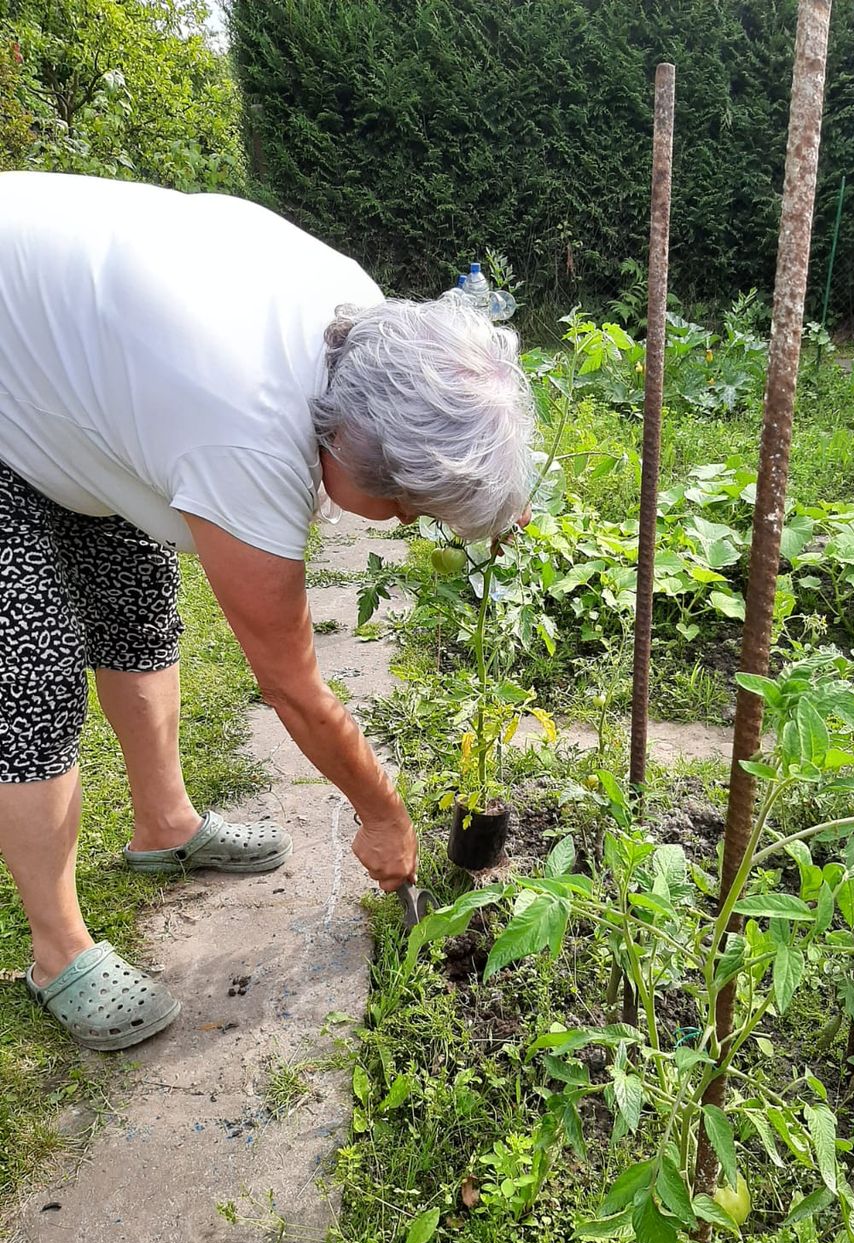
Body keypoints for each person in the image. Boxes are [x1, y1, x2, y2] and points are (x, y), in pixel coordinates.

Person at [0, 172, 534, 1050]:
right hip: (18, 362)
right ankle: (59, 949)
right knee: (31, 669)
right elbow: (292, 685)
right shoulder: (245, 432)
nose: (407, 523)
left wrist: (494, 497)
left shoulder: (368, 332)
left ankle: (165, 825)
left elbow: (450, 419)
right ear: (349, 454)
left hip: (77, 363)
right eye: (405, 506)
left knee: (137, 600)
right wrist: (382, 812)